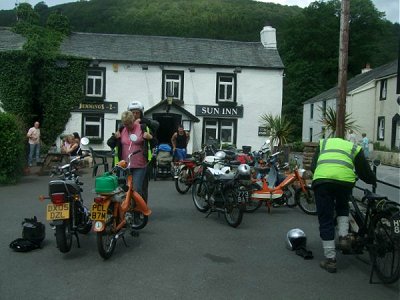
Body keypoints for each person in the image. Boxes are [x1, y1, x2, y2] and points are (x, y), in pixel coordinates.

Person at [311, 137, 376, 273]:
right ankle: (343, 238)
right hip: (344, 182)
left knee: (326, 219)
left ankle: (330, 260)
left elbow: (313, 166)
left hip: (322, 182)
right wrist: (372, 180)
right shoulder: (353, 147)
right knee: (342, 207)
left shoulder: (323, 143)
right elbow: (364, 172)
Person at [107, 101, 155, 202]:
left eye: (130, 124)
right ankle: (125, 211)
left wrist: (150, 137)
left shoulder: (142, 127)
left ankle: (139, 212)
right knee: (122, 189)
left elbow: (155, 143)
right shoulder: (122, 129)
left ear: (133, 120)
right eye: (125, 124)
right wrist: (115, 138)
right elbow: (110, 143)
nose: (128, 126)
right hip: (123, 165)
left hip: (139, 165)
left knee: (137, 189)